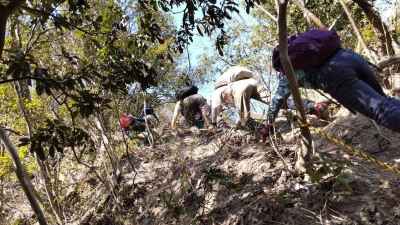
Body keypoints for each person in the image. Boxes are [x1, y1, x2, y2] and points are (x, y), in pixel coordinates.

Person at [263, 46, 400, 135]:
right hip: (349, 56)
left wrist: (268, 124)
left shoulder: (288, 71)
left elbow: (277, 100)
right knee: (384, 101)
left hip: (334, 74)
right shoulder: (311, 51)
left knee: (380, 110)